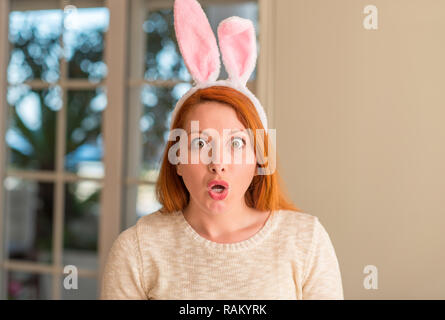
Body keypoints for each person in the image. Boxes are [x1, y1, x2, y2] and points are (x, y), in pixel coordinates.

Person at [100, 0, 344, 300]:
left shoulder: (306, 240)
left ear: (258, 158)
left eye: (237, 143)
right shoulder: (137, 249)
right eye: (200, 143)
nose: (218, 163)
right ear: (176, 159)